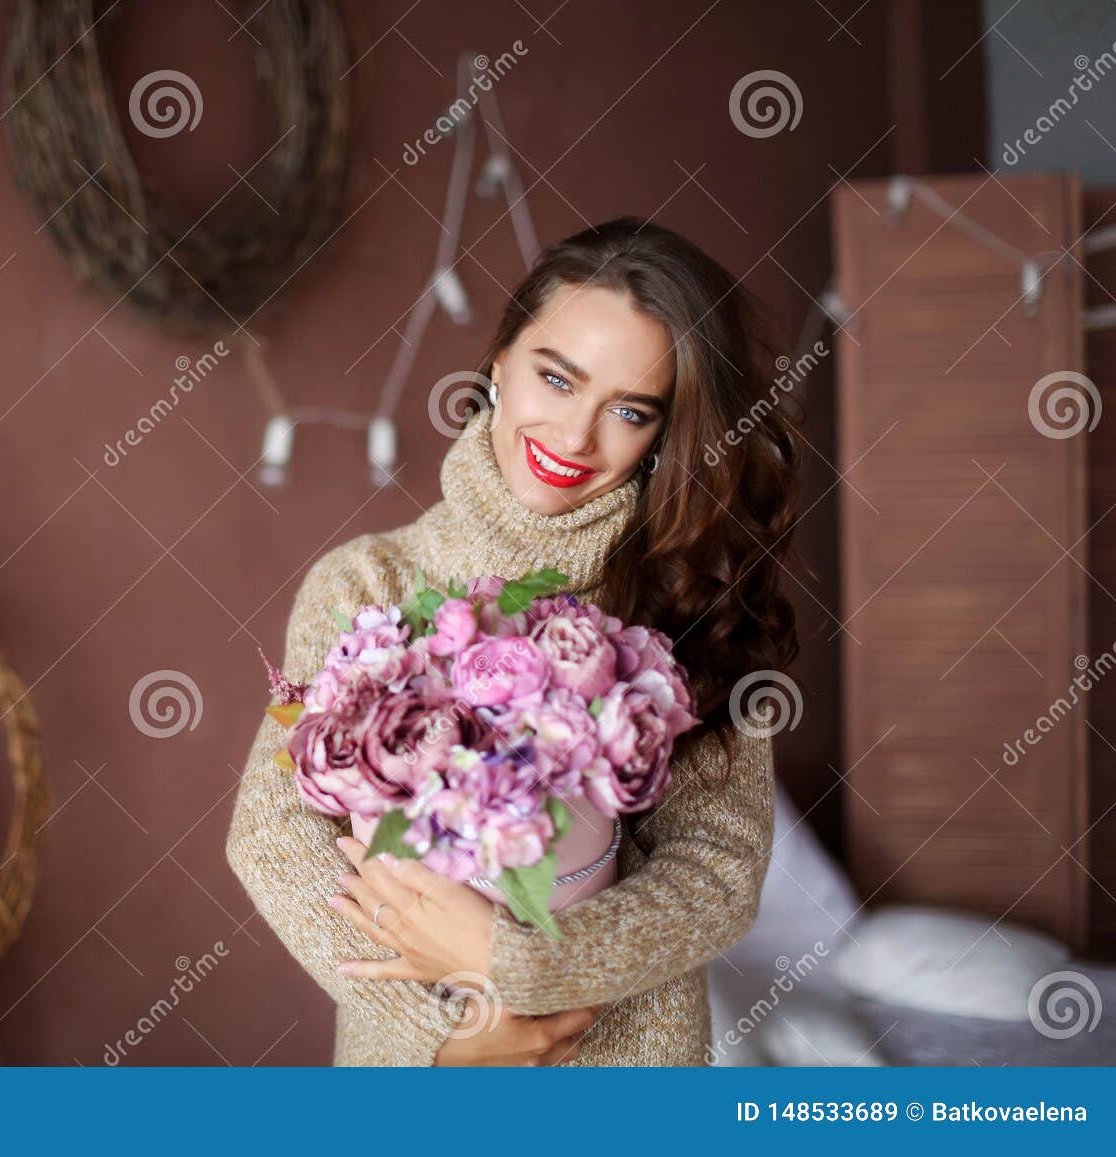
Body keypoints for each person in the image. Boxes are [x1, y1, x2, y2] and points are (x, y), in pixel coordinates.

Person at [226, 216, 802, 1066]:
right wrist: (449, 1029)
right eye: (558, 378)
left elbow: (717, 876)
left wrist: (517, 962)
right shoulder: (364, 583)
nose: (576, 437)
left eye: (631, 410)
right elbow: (274, 832)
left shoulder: (691, 599)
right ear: (499, 361)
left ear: (665, 431)